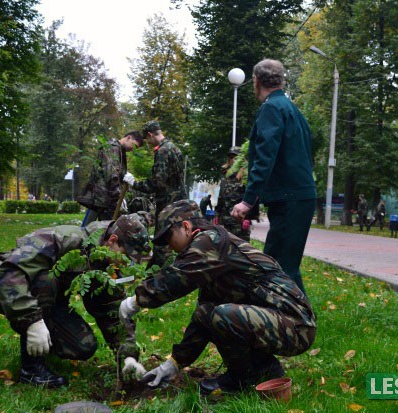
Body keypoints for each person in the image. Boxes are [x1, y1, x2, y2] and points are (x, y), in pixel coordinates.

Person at [118, 200, 316, 395]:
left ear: (186, 226)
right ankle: (264, 369)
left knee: (224, 315)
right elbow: (202, 319)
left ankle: (242, 379)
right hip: (279, 321)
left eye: (169, 237)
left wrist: (136, 301)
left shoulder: (209, 241)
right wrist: (173, 363)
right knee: (209, 313)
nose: (169, 246)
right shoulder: (211, 253)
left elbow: (176, 278)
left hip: (296, 324)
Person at [0, 214, 151, 388]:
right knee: (46, 280)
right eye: (126, 256)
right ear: (112, 240)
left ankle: (43, 343)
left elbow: (112, 311)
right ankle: (31, 368)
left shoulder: (106, 264)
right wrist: (32, 322)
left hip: (49, 300)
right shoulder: (64, 239)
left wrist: (128, 357)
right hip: (4, 285)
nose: (126, 264)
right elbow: (11, 272)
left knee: (84, 346)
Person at [231, 59, 317, 294]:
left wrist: (248, 200)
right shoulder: (291, 109)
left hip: (290, 198)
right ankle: (299, 320)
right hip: (298, 196)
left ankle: (298, 322)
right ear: (281, 80)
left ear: (256, 81)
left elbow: (265, 157)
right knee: (283, 264)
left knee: (279, 268)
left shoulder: (271, 109)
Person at [124, 120, 186, 269]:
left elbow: (157, 183)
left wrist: (134, 183)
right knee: (173, 238)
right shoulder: (174, 148)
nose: (149, 143)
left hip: (167, 205)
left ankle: (156, 276)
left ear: (151, 135)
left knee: (162, 242)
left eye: (147, 140)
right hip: (178, 202)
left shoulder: (162, 151)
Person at [78, 131, 144, 226]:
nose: (133, 149)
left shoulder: (120, 150)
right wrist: (118, 197)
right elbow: (112, 175)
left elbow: (118, 173)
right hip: (104, 198)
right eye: (134, 145)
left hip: (106, 198)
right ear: (128, 138)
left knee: (98, 228)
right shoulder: (113, 148)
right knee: (107, 229)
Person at [215, 146, 252, 241]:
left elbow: (252, 197)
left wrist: (248, 218)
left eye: (235, 157)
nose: (233, 160)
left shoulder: (246, 176)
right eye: (231, 157)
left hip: (239, 221)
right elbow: (221, 197)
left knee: (242, 249)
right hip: (225, 220)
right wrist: (217, 215)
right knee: (225, 248)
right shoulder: (225, 175)